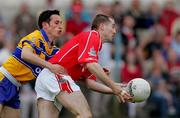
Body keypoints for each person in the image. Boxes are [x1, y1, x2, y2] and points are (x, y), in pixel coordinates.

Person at [35, 14, 132, 118]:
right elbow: (91, 65)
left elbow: (90, 83)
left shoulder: (92, 49)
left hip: (46, 77)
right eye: (112, 26)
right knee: (85, 115)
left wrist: (115, 89)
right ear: (102, 26)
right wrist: (113, 86)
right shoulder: (92, 36)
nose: (115, 31)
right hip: (56, 76)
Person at [0, 10, 64, 118]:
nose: (60, 26)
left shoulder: (53, 50)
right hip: (3, 80)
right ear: (45, 25)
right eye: (56, 23)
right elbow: (26, 55)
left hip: (15, 88)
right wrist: (50, 66)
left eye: (61, 23)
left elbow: (65, 65)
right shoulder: (36, 36)